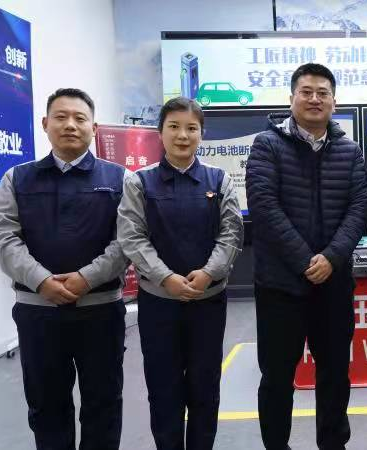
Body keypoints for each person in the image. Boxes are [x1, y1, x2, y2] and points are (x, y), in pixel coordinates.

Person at [0, 88, 128, 449]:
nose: (70, 125)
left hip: (100, 313)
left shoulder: (120, 179)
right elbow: (4, 239)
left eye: (80, 119)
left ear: (94, 128)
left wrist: (86, 278)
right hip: (39, 314)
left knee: (103, 404)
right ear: (45, 124)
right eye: (61, 117)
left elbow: (127, 241)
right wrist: (41, 281)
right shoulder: (18, 178)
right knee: (47, 406)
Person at [246, 62, 367, 450]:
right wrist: (305, 260)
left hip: (333, 285)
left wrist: (331, 257)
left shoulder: (350, 151)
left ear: (334, 101)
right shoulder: (267, 145)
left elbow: (359, 208)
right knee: (277, 378)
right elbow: (264, 206)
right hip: (280, 286)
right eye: (306, 92)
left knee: (334, 375)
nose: (315, 99)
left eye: (323, 93)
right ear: (291, 98)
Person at [117, 97, 244, 450]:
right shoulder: (140, 182)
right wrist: (166, 278)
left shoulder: (218, 180)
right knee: (163, 388)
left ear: (202, 134)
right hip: (159, 304)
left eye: (191, 128)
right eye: (174, 127)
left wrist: (209, 272)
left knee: (205, 387)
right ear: (160, 133)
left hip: (208, 302)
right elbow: (132, 236)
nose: (183, 135)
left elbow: (231, 232)